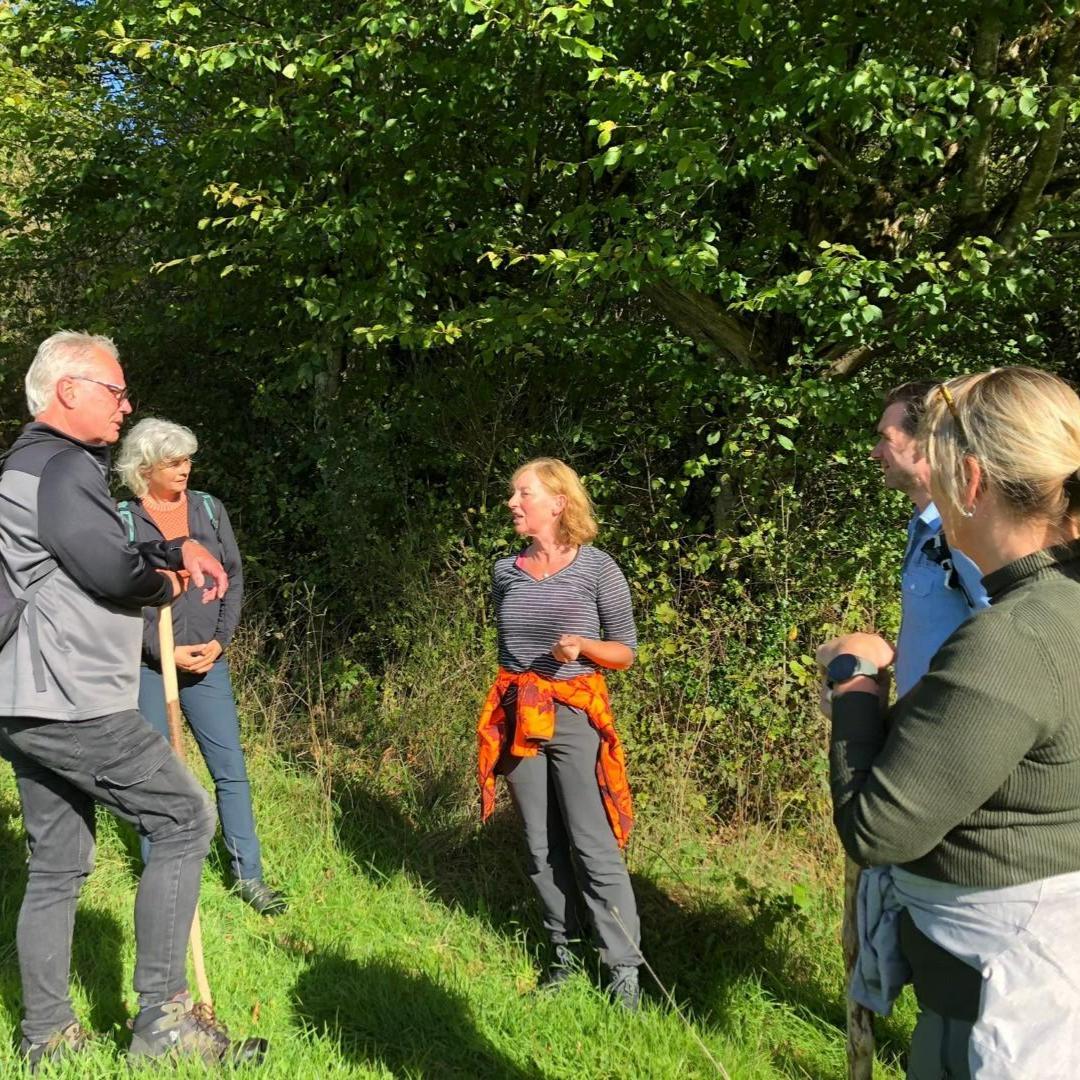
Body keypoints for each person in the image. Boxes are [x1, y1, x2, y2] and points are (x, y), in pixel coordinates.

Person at [0, 331, 266, 1069]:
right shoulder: (60, 464)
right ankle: (163, 1023)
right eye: (115, 391)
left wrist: (174, 548)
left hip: (21, 697)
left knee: (57, 863)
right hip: (72, 696)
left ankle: (46, 1035)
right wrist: (168, 580)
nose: (126, 404)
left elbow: (83, 550)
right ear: (68, 391)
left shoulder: (25, 465)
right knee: (183, 817)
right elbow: (109, 569)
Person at [819, 367, 1080, 1079]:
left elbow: (878, 829)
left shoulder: (1011, 639)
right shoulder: (1059, 603)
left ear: (969, 482)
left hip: (1003, 1008)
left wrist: (855, 683)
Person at [476, 458, 642, 1009]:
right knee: (540, 845)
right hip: (520, 715)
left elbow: (625, 651)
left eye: (522, 493)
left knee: (592, 843)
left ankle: (623, 971)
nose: (512, 502)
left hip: (573, 714)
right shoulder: (505, 571)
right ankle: (563, 954)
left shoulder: (597, 569)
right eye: (512, 493)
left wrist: (584, 647)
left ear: (558, 502)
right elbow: (507, 650)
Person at [115, 418, 286, 915]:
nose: (185, 469)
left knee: (230, 769)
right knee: (158, 774)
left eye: (188, 459)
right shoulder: (123, 519)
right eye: (174, 462)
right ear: (145, 467)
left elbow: (231, 576)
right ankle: (162, 884)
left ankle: (247, 876)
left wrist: (219, 642)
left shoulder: (210, 510)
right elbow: (118, 598)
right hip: (152, 666)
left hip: (208, 663)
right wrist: (159, 652)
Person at [870, 380, 988, 696]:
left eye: (886, 439)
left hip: (956, 731)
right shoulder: (924, 526)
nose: (874, 453)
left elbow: (1007, 639)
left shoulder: (964, 529)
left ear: (926, 443)